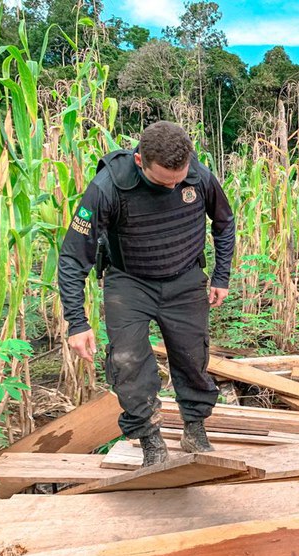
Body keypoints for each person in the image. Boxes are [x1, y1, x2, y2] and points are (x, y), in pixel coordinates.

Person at [58, 121, 235, 467]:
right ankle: (151, 441)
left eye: (178, 180)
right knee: (128, 363)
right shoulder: (108, 186)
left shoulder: (198, 175)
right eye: (163, 181)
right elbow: (73, 255)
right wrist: (77, 322)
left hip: (185, 279)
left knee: (192, 359)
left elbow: (224, 222)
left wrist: (221, 275)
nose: (173, 187)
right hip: (130, 282)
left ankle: (194, 428)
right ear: (140, 161)